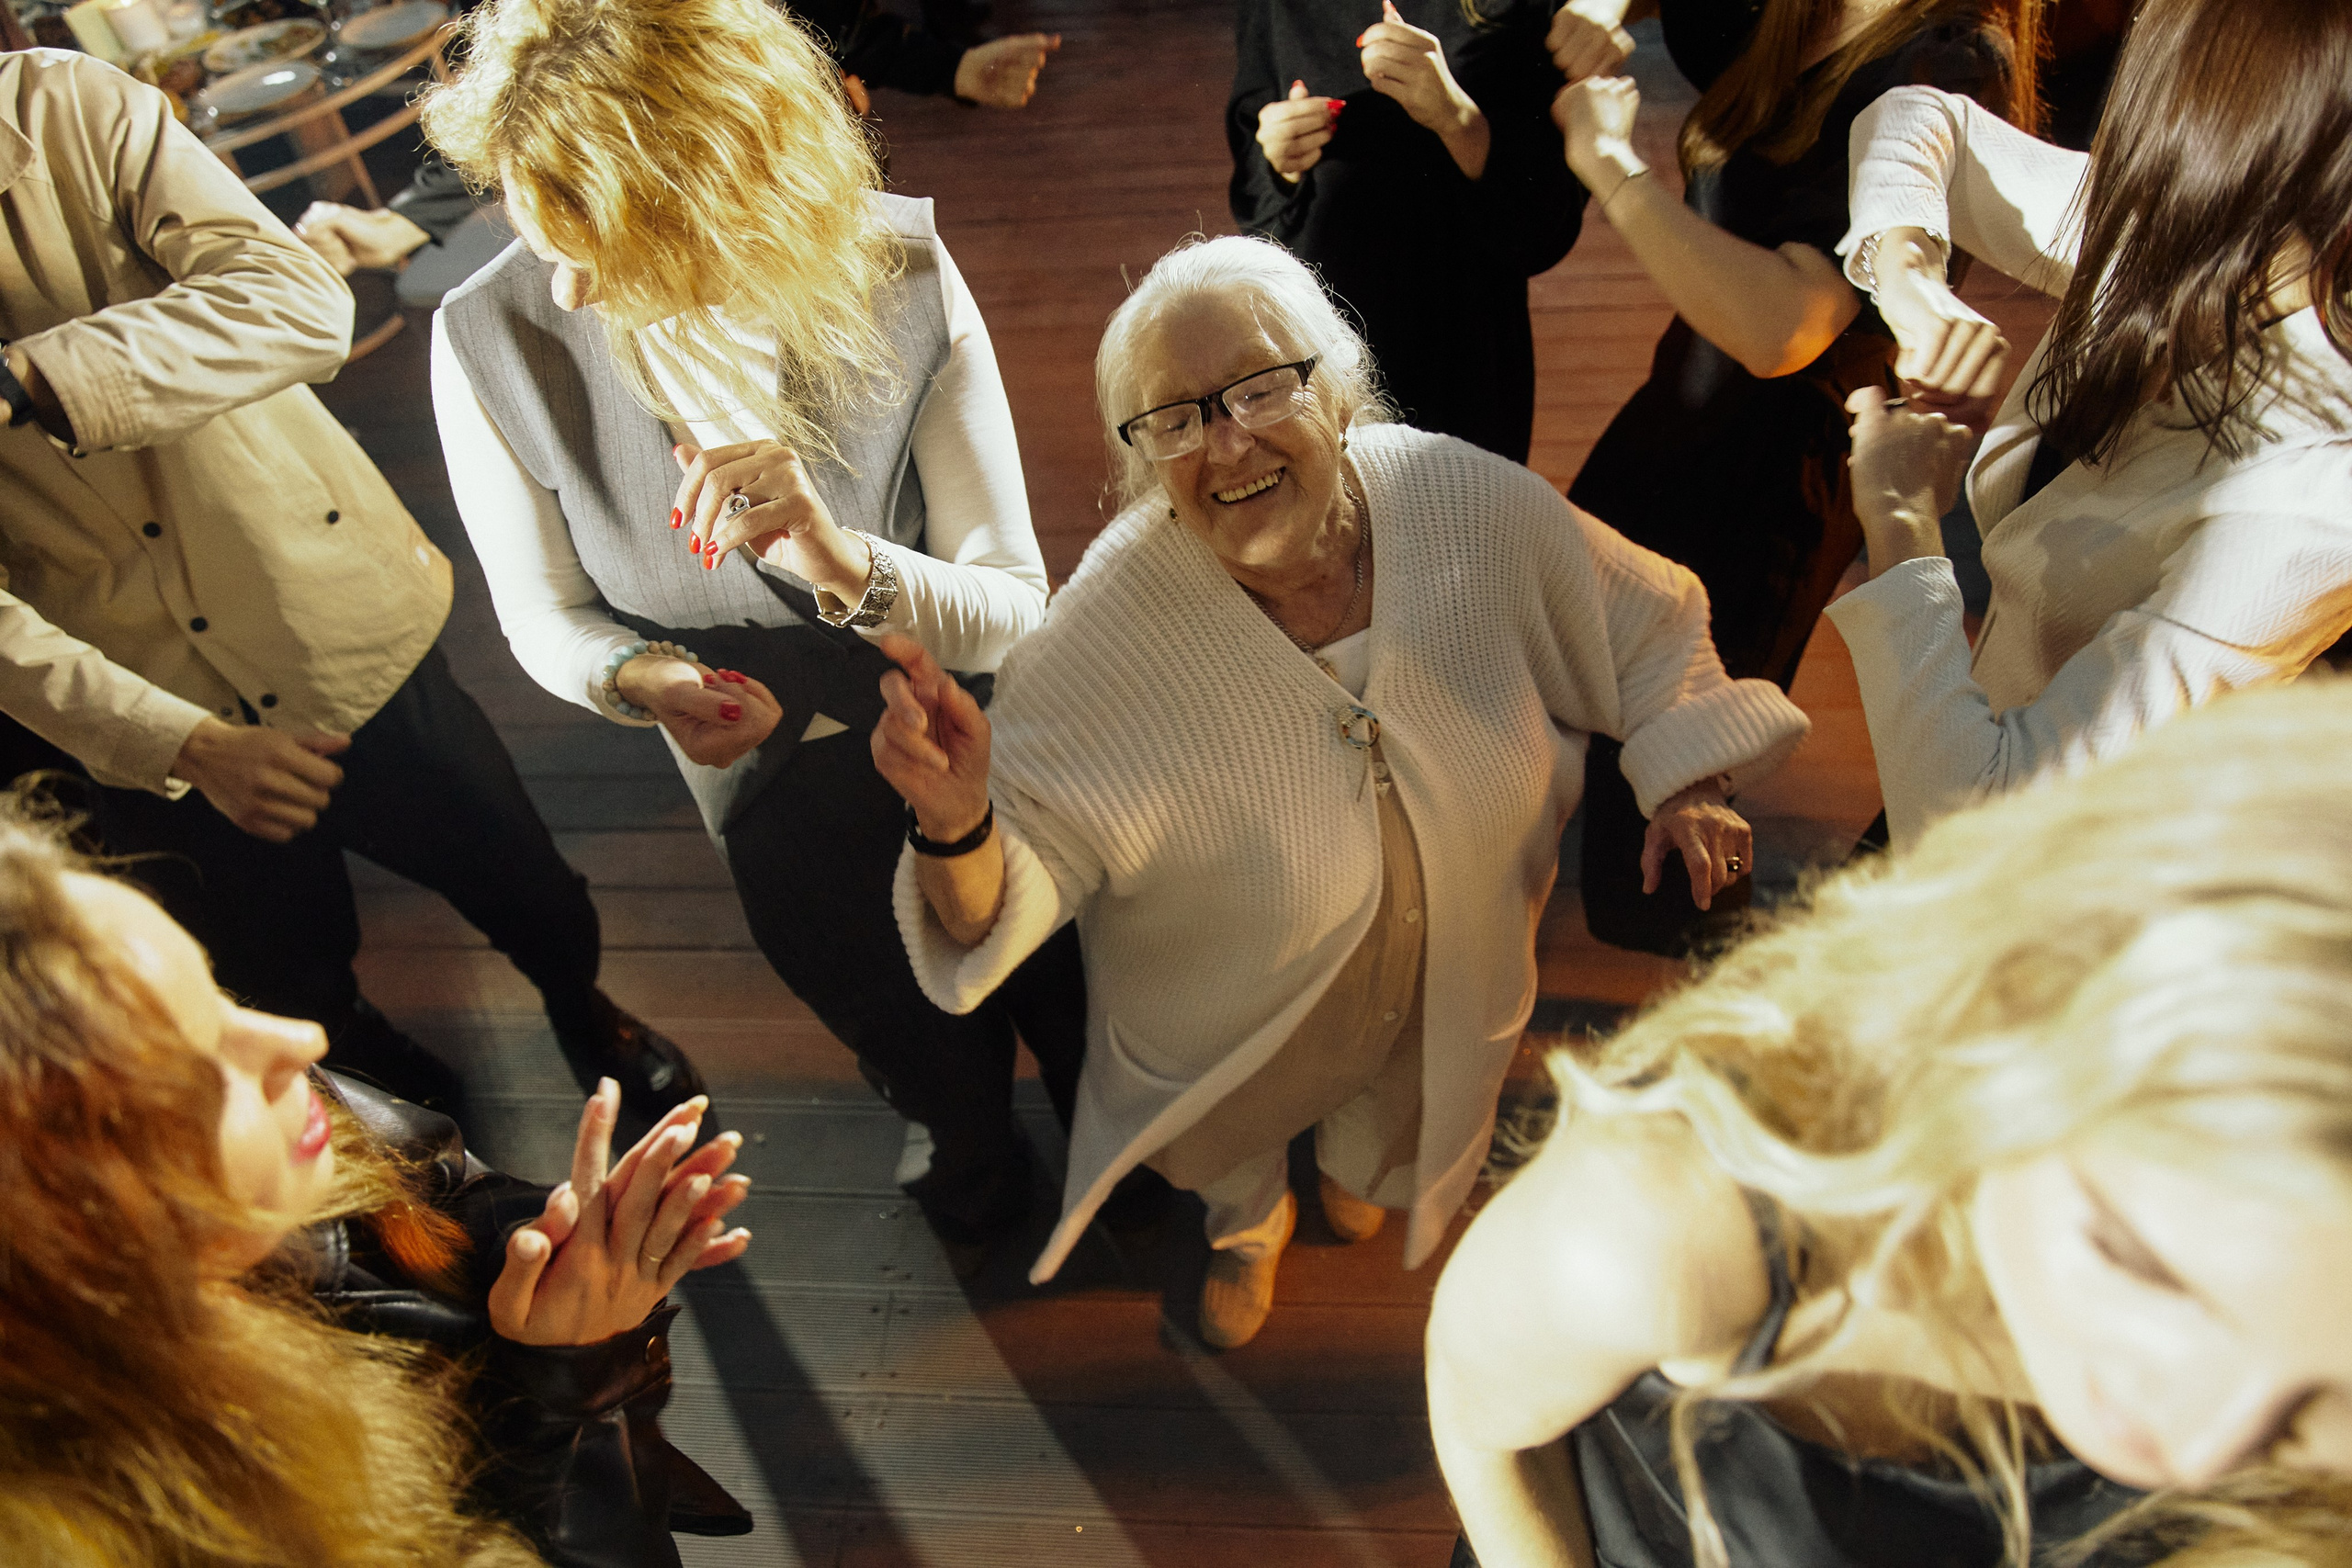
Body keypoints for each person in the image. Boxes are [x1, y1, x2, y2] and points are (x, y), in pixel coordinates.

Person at [872, 234, 1809, 1348]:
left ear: (1336, 387)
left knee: (1396, 1099)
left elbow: (1643, 623)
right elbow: (990, 903)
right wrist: (955, 818)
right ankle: (1244, 1223)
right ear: (1143, 458)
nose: (1227, 443)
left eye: (1261, 389)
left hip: (1442, 958)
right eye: (1174, 419)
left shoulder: (1458, 497)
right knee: (1227, 1128)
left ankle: (1364, 1156)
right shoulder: (1105, 631)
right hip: (1223, 1018)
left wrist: (1687, 779)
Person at [422, 0, 1085, 1271]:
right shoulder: (488, 337)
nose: (563, 282)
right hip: (771, 794)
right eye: (523, 212)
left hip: (984, 739)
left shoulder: (892, 271)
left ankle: (1121, 1156)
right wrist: (648, 676)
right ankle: (969, 1149)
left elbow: (1015, 597)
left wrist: (842, 562)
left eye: (597, 234)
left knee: (1064, 977)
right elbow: (540, 611)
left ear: (718, 182)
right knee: (889, 1015)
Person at [1428, 677, 2352, 1568]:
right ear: (2008, 1011)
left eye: (2327, 1410)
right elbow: (1482, 1422)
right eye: (2137, 1264)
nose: (2198, 1453)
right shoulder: (1672, 1219)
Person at [0, 48, 698, 1124]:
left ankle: (582, 1004)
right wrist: (178, 743)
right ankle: (374, 1072)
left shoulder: (66, 108)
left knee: (521, 879)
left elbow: (297, 304)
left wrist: (26, 380)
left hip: (321, 605)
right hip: (144, 693)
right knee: (286, 971)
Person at [0, 807, 755, 1565]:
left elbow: (443, 1187)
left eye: (217, 993)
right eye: (200, 1075)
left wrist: (559, 1249)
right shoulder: (174, 1526)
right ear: (66, 1224)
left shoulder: (302, 1122)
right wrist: (567, 1385)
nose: (301, 1040)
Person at [1541, 0, 2039, 955]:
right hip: (1677, 412)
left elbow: (1785, 328)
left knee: (1677, 804)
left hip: (1775, 476)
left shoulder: (1946, 60)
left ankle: (1710, 959)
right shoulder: (1789, 13)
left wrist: (1610, 167)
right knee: (1603, 703)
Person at [1826, 0, 2352, 849]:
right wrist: (1910, 285)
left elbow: (1971, 823)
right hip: (1957, 735)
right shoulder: (2195, 233)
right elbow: (1918, 121)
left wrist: (1900, 522)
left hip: (2063, 863)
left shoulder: (2309, 504)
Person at [295, 0, 1061, 277]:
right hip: (638, 234)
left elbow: (830, 22)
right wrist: (398, 223)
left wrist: (951, 67)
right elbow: (524, 90)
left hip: (776, 205)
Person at [1229, 0, 1585, 463]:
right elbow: (1257, 180)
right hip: (1317, 342)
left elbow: (1544, 223)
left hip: (1461, 353)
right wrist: (1278, 158)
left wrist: (1457, 118)